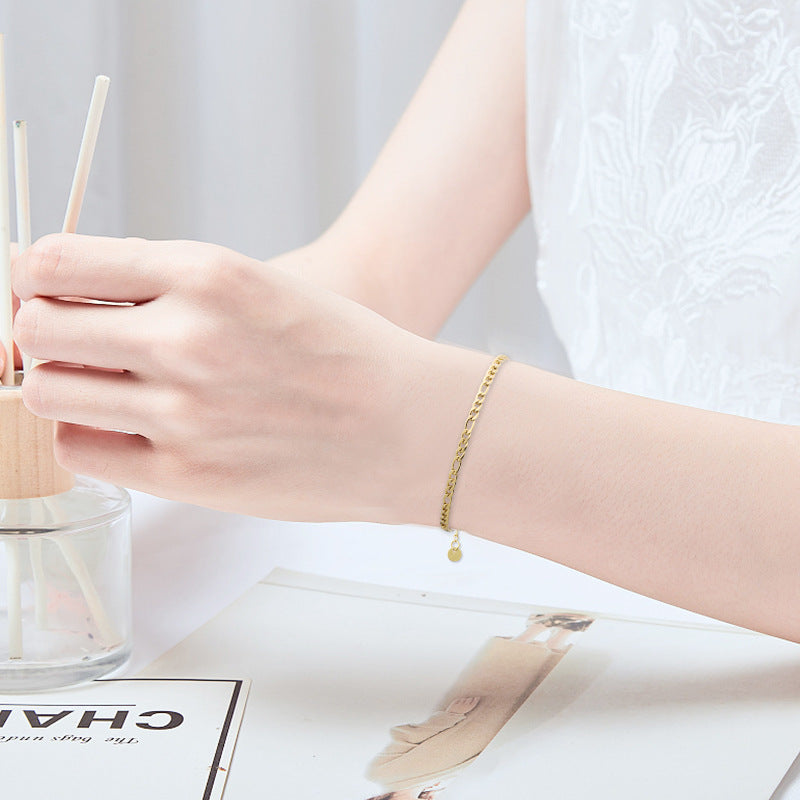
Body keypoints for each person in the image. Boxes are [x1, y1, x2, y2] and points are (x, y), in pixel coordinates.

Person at [5, 0, 800, 642]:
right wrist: (128, 348)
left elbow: (376, 376)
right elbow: (376, 275)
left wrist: (425, 432)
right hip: (625, 640)